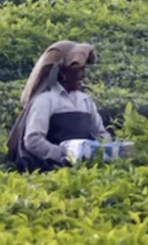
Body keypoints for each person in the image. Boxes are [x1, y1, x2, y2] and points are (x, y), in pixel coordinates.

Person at [6, 40, 111, 173]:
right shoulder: (46, 100)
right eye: (78, 71)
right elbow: (33, 139)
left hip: (85, 171)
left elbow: (100, 133)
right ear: (63, 73)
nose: (83, 76)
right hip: (52, 171)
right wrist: (61, 155)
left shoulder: (85, 101)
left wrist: (107, 149)